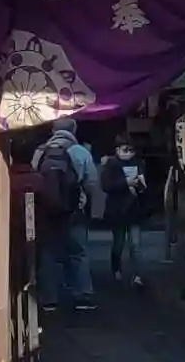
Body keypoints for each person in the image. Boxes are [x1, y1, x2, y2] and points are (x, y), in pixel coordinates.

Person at [33, 117, 97, 311]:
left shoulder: (41, 151)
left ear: (53, 130)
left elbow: (34, 177)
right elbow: (92, 183)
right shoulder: (80, 151)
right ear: (74, 130)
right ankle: (82, 296)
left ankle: (49, 299)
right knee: (78, 252)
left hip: (47, 210)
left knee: (48, 252)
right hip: (74, 211)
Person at [99, 140, 150, 284]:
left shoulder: (138, 164)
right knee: (119, 243)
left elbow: (144, 187)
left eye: (131, 150)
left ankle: (138, 275)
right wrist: (126, 183)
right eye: (125, 150)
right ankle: (116, 269)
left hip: (134, 209)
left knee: (136, 244)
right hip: (118, 209)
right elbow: (106, 185)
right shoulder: (111, 165)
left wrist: (141, 185)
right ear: (117, 150)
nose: (128, 153)